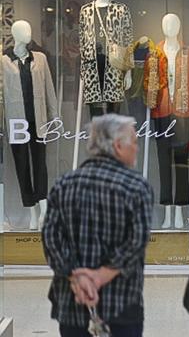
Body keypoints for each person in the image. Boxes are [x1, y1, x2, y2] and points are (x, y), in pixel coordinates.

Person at [42, 114, 153, 337]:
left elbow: (50, 239)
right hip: (122, 303)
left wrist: (77, 277)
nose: (137, 149)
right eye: (135, 142)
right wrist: (102, 275)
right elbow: (137, 241)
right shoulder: (136, 187)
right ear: (118, 146)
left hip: (72, 301)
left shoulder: (64, 185)